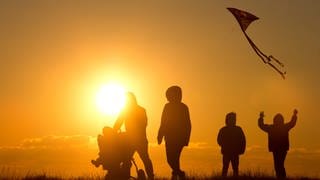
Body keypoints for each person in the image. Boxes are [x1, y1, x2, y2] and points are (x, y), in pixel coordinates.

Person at [113, 92, 154, 180]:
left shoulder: (137, 110)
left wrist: (114, 131)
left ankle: (150, 177)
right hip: (135, 139)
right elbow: (118, 122)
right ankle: (149, 177)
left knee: (135, 159)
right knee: (129, 159)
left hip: (137, 139)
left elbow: (143, 124)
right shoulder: (137, 110)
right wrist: (113, 131)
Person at [157, 86, 191, 180]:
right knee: (171, 159)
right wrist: (160, 135)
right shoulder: (167, 106)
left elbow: (188, 124)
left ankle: (178, 174)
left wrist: (186, 139)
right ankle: (177, 173)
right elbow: (163, 121)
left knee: (174, 158)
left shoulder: (183, 107)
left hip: (179, 138)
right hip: (169, 137)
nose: (168, 97)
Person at [258, 109, 298, 178]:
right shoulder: (284, 127)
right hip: (281, 149)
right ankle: (281, 177)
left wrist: (261, 118)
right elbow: (292, 123)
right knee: (279, 165)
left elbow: (262, 126)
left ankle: (281, 177)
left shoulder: (272, 128)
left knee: (278, 165)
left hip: (277, 149)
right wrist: (294, 115)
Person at [217, 112, 246, 177]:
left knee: (235, 169)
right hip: (226, 152)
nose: (234, 120)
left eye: (234, 119)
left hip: (235, 152)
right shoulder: (223, 130)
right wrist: (224, 145)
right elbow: (219, 140)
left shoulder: (238, 129)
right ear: (227, 120)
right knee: (225, 168)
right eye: (232, 119)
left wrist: (241, 150)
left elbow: (243, 140)